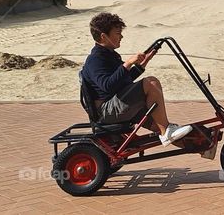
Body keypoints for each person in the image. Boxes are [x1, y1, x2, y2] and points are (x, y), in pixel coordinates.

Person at [82, 12, 192, 146]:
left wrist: (142, 64)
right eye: (117, 33)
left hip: (117, 104)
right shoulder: (95, 59)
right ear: (104, 36)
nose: (121, 36)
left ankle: (202, 149)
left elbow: (122, 81)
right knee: (151, 82)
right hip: (107, 111)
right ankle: (166, 132)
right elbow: (107, 86)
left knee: (160, 124)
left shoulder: (110, 55)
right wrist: (127, 63)